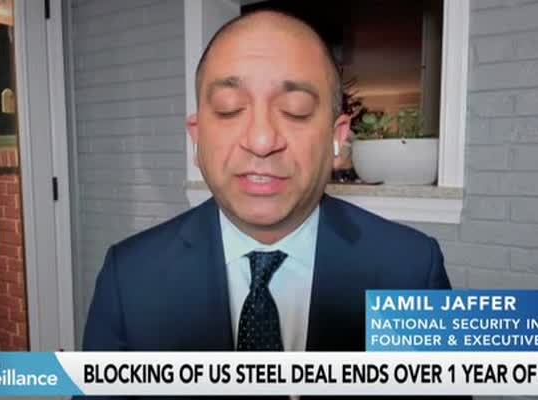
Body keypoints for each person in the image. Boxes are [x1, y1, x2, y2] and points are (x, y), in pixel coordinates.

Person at [83, 9, 456, 399]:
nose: (261, 141)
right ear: (198, 138)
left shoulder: (411, 270)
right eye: (229, 108)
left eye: (295, 110)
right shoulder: (128, 277)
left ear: (337, 138)